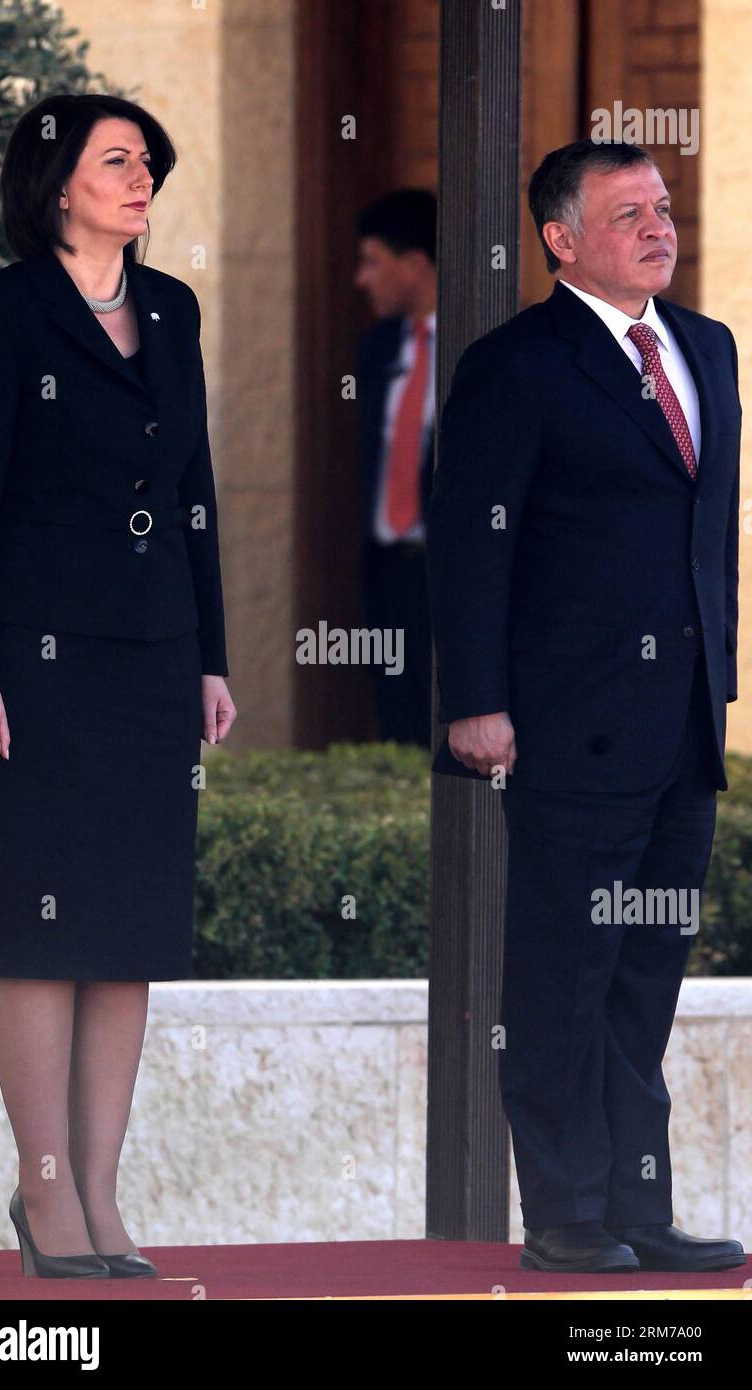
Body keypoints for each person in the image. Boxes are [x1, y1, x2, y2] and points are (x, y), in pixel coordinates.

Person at [426, 138, 746, 1274]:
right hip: (568, 725)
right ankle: (565, 1215)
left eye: (662, 207)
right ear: (561, 239)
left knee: (644, 975)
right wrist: (476, 700)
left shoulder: (707, 347)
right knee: (566, 970)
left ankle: (637, 1208)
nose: (660, 227)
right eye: (628, 213)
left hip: (684, 729)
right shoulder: (517, 364)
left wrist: (724, 684)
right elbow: (470, 544)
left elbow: (713, 541)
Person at [0, 93, 236, 1278]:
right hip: (30, 668)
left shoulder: (172, 309)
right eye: (117, 161)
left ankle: (105, 1203)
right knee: (42, 935)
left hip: (152, 661)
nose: (140, 180)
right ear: (57, 181)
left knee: (127, 936)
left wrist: (212, 653)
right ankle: (46, 1196)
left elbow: (196, 493)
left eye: (148, 164)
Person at [355, 189, 436, 748]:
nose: (362, 279)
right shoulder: (378, 348)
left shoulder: (491, 346)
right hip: (390, 575)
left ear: (413, 265)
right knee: (399, 734)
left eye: (372, 262)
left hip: (458, 577)